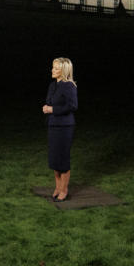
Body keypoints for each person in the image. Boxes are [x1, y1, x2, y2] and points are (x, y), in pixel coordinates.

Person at [41, 57, 77, 202]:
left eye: (56, 68)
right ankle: (57, 187)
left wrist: (52, 109)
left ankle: (64, 189)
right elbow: (50, 102)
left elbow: (72, 106)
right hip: (53, 125)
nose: (52, 70)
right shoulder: (52, 85)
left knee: (62, 159)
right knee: (54, 158)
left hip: (65, 127)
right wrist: (47, 108)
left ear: (64, 70)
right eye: (53, 67)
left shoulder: (69, 86)